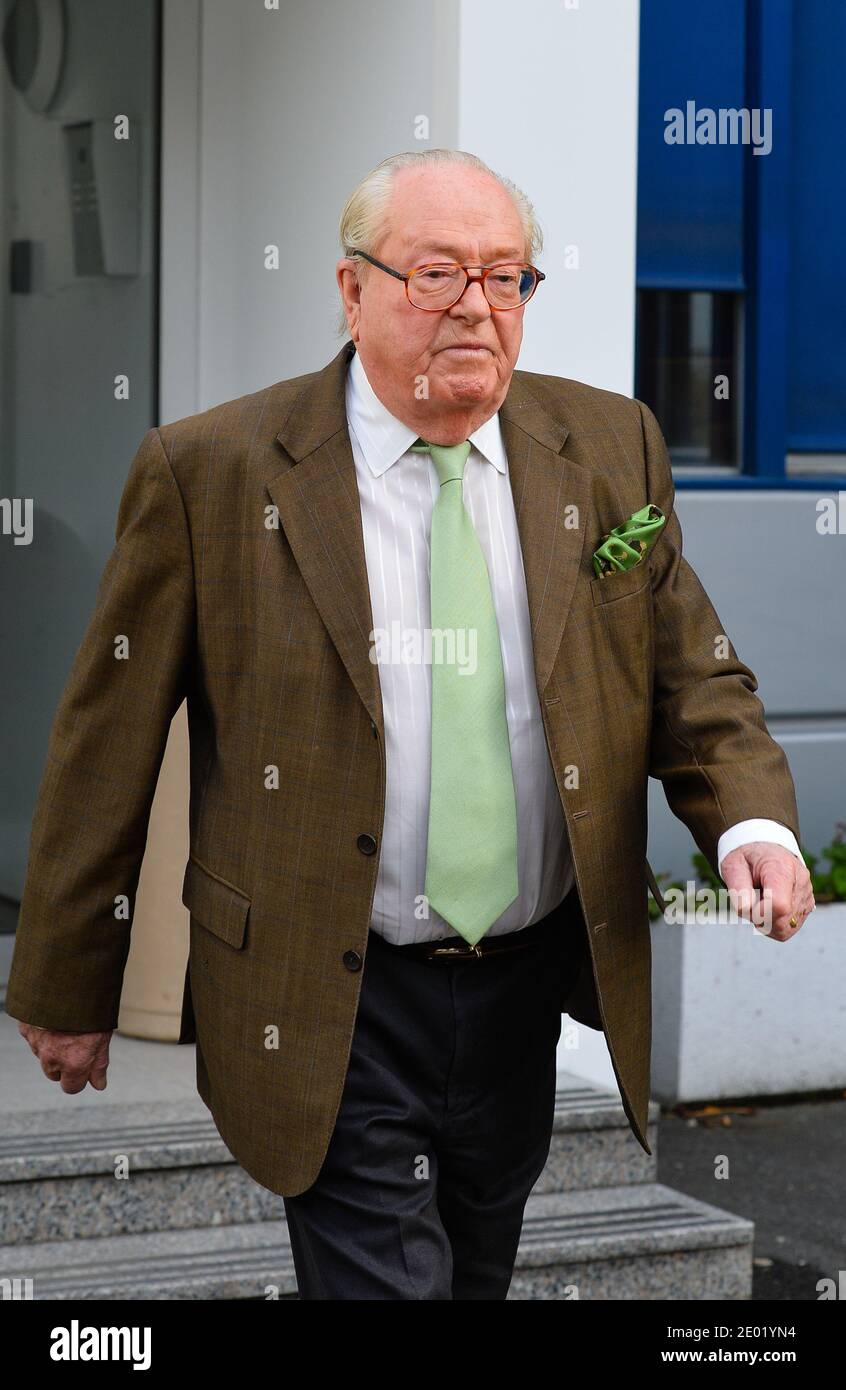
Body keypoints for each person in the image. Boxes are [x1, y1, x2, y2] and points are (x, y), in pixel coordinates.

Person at [7, 149, 814, 1300]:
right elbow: (107, 742)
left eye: (505, 277)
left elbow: (694, 678)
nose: (477, 307)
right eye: (438, 274)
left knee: (472, 1270)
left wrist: (754, 829)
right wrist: (67, 980)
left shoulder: (608, 446)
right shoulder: (213, 472)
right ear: (352, 289)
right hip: (326, 985)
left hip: (525, 972)